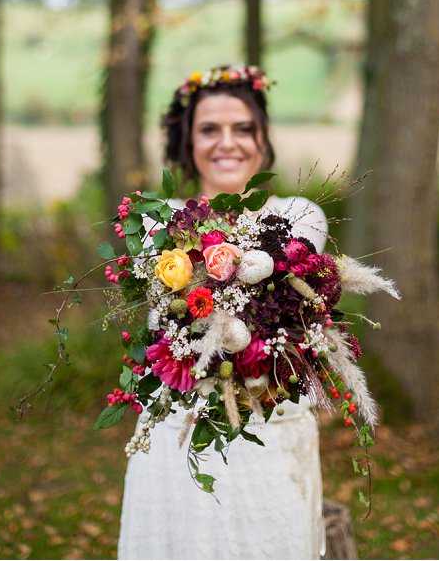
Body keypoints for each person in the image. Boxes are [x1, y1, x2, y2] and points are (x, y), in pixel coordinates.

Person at [118, 65, 328, 560]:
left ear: (263, 138)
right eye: (209, 129)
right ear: (187, 141)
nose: (227, 143)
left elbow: (274, 306)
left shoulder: (298, 215)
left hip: (271, 432)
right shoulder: (157, 221)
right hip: (179, 430)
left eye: (243, 128)